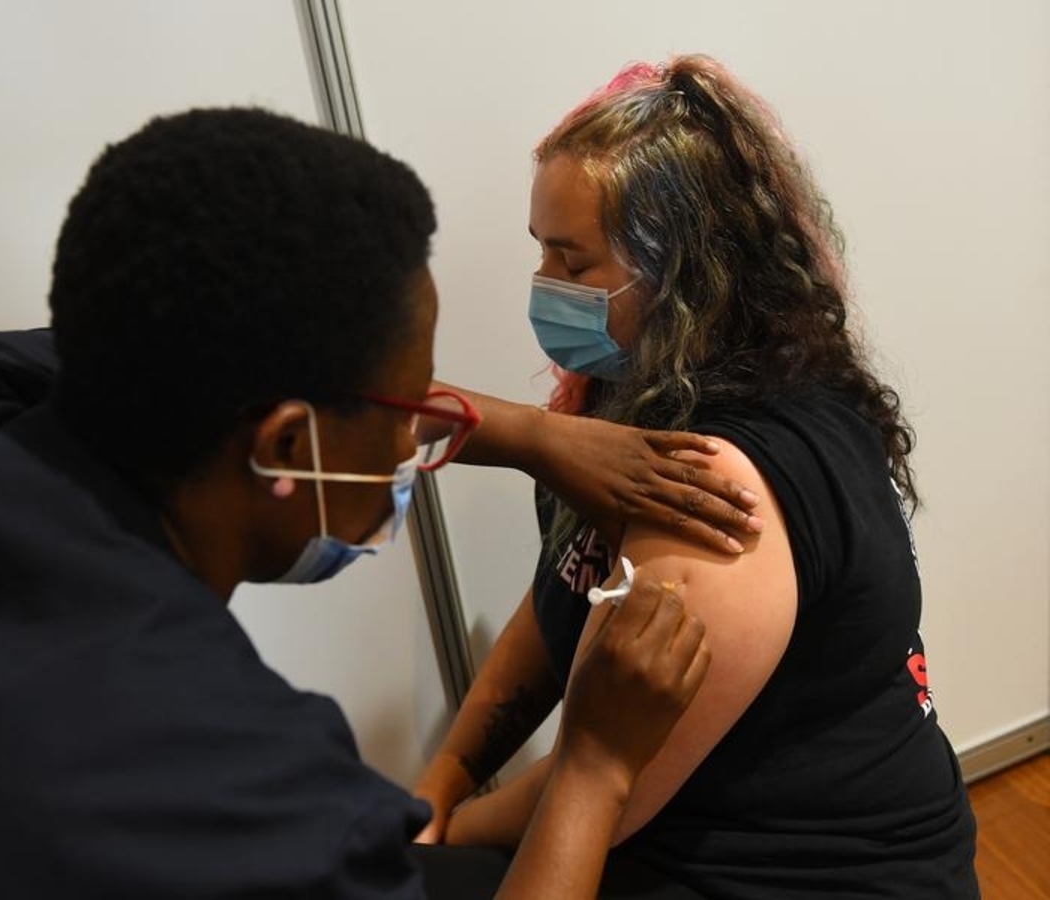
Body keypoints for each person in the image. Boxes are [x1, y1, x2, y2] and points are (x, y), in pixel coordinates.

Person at [0, 106, 738, 898]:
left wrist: (533, 437)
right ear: (284, 446)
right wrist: (593, 765)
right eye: (405, 409)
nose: (417, 438)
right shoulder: (239, 785)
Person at [414, 55, 980, 898]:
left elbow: (604, 783)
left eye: (574, 264)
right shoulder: (630, 399)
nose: (544, 288)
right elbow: (564, 588)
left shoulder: (709, 489)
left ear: (681, 271)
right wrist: (444, 778)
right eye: (541, 252)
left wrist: (443, 833)